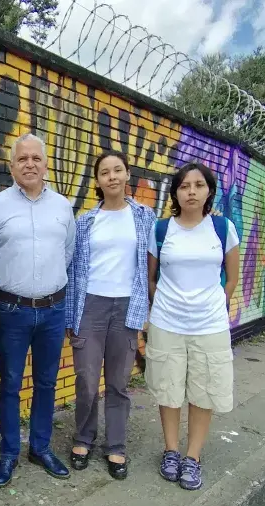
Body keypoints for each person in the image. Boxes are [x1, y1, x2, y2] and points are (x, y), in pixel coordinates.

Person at [0, 133, 76, 488]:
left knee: (47, 383)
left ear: (46, 164)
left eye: (36, 158)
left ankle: (40, 447)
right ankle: (8, 453)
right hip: (12, 312)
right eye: (23, 159)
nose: (30, 164)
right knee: (10, 384)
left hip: (53, 310)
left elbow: (67, 253)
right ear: (12, 166)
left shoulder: (63, 207)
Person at [146, 162, 240, 491]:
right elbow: (151, 278)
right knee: (169, 389)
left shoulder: (222, 229)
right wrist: (166, 304)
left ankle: (193, 457)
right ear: (175, 192)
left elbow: (231, 276)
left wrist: (215, 303)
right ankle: (171, 451)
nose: (191, 192)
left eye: (198, 185)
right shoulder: (161, 230)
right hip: (167, 322)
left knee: (204, 391)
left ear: (208, 191)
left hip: (209, 325)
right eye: (184, 186)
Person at [65, 151, 157, 480]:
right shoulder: (85, 221)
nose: (112, 176)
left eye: (118, 170)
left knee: (118, 383)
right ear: (98, 181)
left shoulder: (145, 216)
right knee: (87, 380)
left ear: (127, 174)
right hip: (90, 306)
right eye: (105, 172)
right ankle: (83, 437)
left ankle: (115, 445)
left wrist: (147, 306)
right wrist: (70, 317)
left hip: (126, 307)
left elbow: (150, 264)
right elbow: (75, 271)